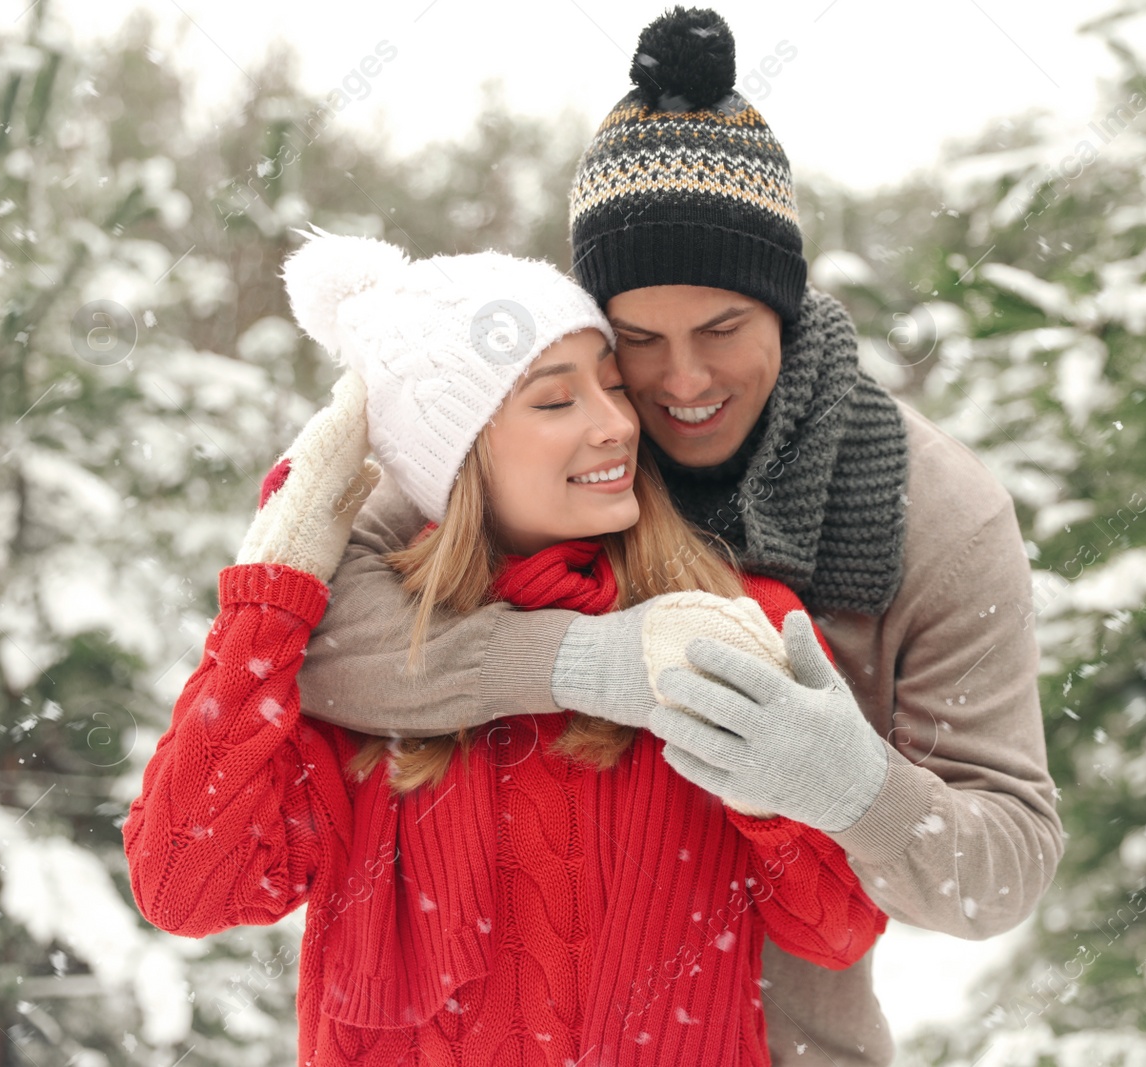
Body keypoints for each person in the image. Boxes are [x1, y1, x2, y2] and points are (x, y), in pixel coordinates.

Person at [297, 6, 1064, 1064]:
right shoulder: (535, 440)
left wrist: (853, 787)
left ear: (784, 311)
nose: (680, 382)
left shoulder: (932, 513)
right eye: (637, 340)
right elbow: (323, 635)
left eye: (721, 330)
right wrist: (584, 662)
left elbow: (1004, 865)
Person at [123, 232, 889, 1066]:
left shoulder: (732, 622)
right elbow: (183, 884)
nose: (616, 425)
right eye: (556, 402)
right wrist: (277, 578)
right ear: (455, 459)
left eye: (611, 387)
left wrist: (766, 765)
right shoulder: (356, 678)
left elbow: (838, 928)